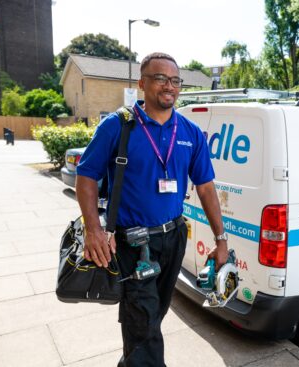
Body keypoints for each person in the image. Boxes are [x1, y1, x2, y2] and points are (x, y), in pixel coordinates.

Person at [75, 52, 229, 367]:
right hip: (133, 244)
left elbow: (206, 187)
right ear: (142, 83)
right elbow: (86, 176)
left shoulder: (190, 133)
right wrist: (93, 230)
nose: (169, 86)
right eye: (160, 78)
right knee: (144, 321)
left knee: (150, 316)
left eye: (175, 81)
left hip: (173, 238)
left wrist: (221, 238)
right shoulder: (117, 126)